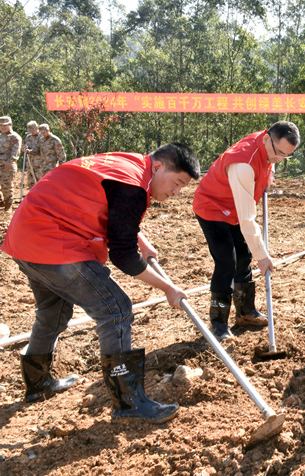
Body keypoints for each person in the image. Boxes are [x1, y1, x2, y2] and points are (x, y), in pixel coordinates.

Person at [2, 143, 201, 423]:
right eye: (177, 183)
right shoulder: (134, 186)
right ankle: (128, 402)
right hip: (52, 241)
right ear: (158, 167)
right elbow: (123, 256)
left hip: (26, 237)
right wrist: (167, 288)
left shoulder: (130, 165)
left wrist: (141, 240)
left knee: (53, 311)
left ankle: (38, 383)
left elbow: (113, 208)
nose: (176, 192)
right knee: (116, 309)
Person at [193, 121, 300, 341]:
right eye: (279, 153)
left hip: (234, 207)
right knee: (226, 261)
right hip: (212, 207)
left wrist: (269, 171)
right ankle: (219, 325)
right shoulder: (243, 164)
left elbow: (269, 159)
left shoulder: (268, 145)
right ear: (266, 138)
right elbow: (247, 219)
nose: (279, 159)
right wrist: (263, 256)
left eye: (286, 156)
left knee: (243, 256)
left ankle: (245, 313)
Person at [0, 116, 21, 211]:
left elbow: (15, 150)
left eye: (5, 125)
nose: (2, 127)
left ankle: (8, 204)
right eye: (1, 125)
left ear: (10, 124)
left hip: (7, 166)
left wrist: (10, 161)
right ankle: (1, 201)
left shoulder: (14, 137)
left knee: (6, 185)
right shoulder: (0, 136)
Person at [22, 121, 44, 189]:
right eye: (30, 130)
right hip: (30, 164)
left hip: (40, 164)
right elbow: (25, 146)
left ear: (37, 127)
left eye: (33, 130)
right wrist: (24, 148)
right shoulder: (28, 137)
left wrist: (30, 151)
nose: (31, 132)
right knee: (31, 183)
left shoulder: (42, 136)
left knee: (41, 181)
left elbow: (41, 149)